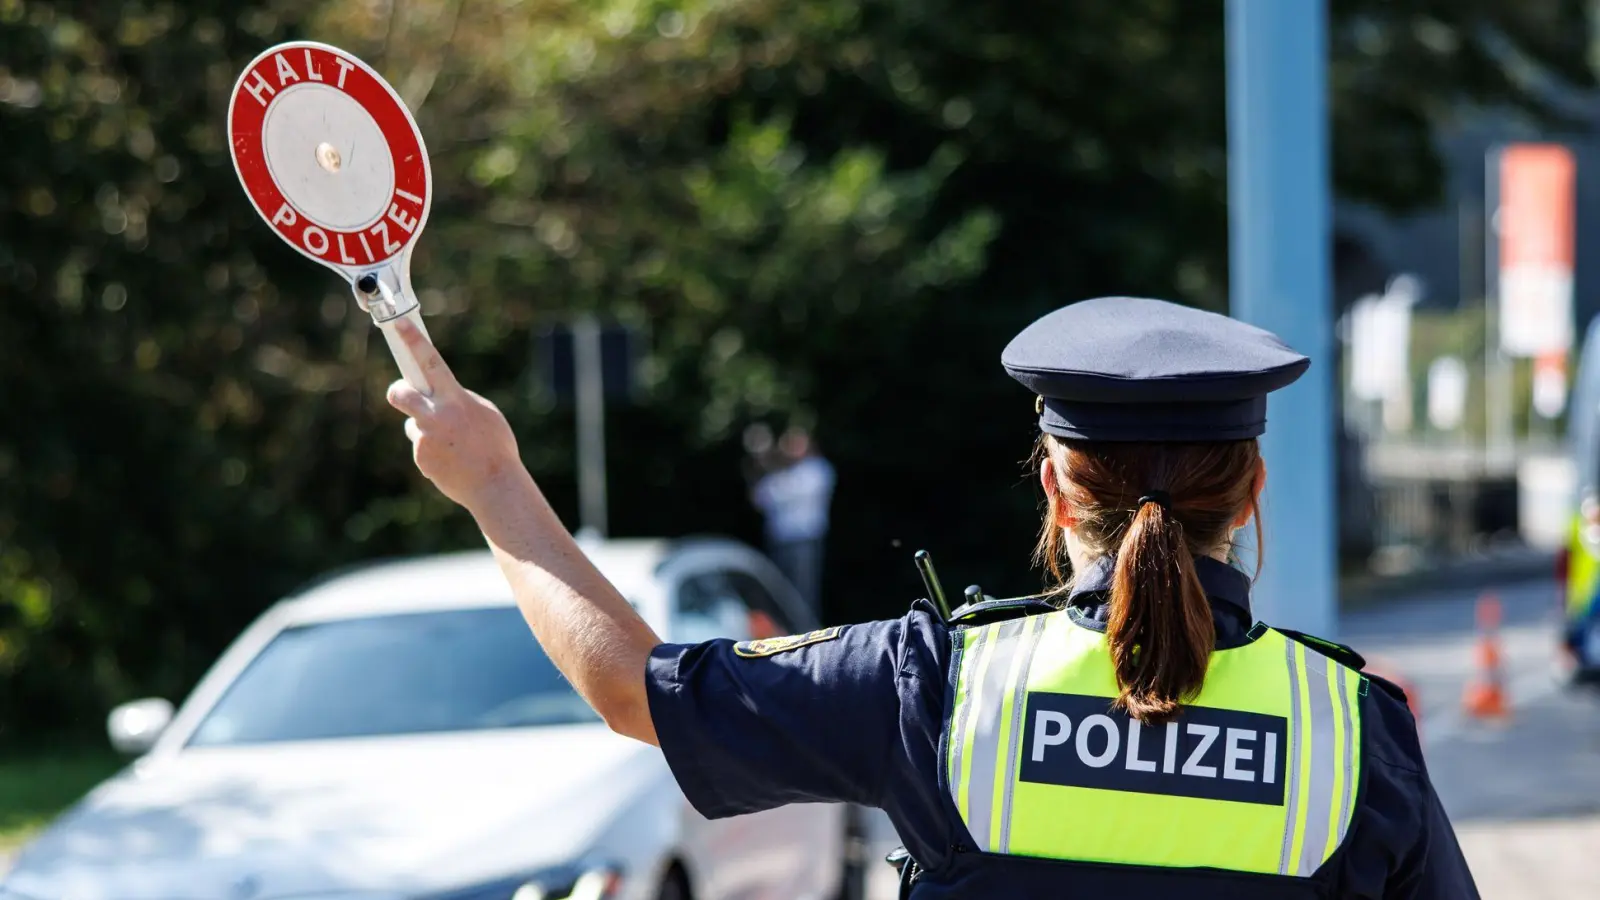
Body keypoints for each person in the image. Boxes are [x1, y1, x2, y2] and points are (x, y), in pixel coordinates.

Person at [385, 296, 1478, 899]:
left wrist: (491, 481)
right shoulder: (1353, 737)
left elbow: (632, 689)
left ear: (1052, 483)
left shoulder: (937, 689)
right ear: (1252, 490)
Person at [749, 426, 836, 617]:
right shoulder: (780, 473)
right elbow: (760, 499)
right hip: (780, 541)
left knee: (803, 593)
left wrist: (773, 469)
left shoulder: (817, 469)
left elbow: (787, 494)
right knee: (781, 594)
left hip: (804, 540)